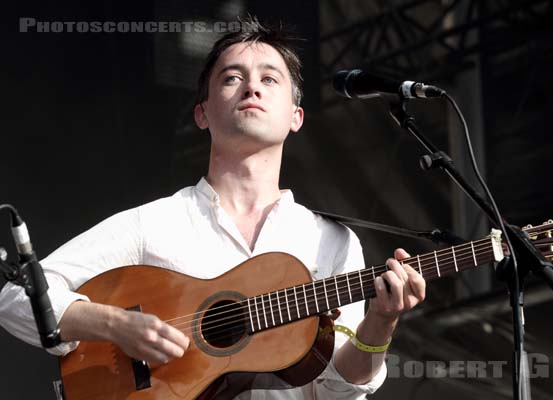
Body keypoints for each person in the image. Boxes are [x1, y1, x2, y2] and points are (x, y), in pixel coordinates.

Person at [0, 17, 426, 399]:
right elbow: (17, 295)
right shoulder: (153, 223)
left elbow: (337, 389)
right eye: (231, 78)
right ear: (202, 114)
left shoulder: (330, 241)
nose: (251, 87)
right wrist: (117, 325)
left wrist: (383, 321)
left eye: (270, 79)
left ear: (296, 116)